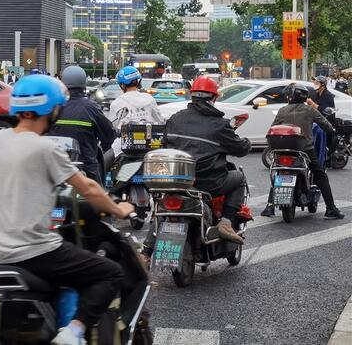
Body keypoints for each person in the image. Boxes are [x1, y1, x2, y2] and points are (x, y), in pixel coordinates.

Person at [0, 74, 134, 345]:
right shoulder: (44, 149)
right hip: (33, 251)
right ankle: (73, 332)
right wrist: (120, 210)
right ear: (53, 110)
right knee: (110, 272)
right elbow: (89, 189)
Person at [163, 77, 251, 245]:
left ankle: (146, 252)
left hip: (176, 181)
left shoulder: (175, 119)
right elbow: (240, 149)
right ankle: (226, 223)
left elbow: (165, 144)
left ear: (192, 96)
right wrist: (245, 142)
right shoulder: (220, 125)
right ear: (214, 98)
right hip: (208, 183)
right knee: (239, 178)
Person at [261, 83, 344, 219]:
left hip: (282, 150)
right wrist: (332, 129)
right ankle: (331, 209)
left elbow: (273, 128)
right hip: (304, 150)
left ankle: (270, 206)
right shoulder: (309, 110)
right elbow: (327, 126)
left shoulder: (282, 110)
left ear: (291, 96)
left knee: (277, 172)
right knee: (320, 175)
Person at [49, 65, 115, 183]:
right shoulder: (92, 108)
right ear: (84, 83)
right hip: (86, 167)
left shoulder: (53, 107)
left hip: (55, 167)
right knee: (97, 196)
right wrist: (106, 146)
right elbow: (108, 134)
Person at [107, 66, 164, 157]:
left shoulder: (117, 103)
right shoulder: (150, 99)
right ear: (138, 82)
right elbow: (160, 120)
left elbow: (111, 128)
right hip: (151, 146)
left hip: (124, 148)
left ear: (122, 85)